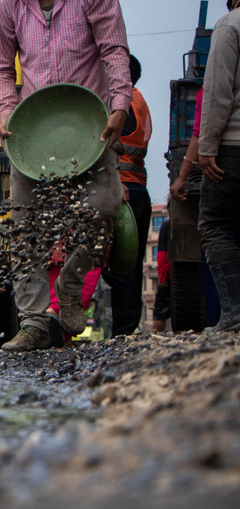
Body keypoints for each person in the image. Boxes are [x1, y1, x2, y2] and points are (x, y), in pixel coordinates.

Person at [0, 0, 130, 351]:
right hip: (32, 135)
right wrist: (6, 111)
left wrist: (120, 103)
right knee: (24, 227)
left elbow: (114, 51)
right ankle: (33, 321)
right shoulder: (9, 6)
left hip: (89, 129)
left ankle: (67, 297)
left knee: (102, 211)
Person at [196, 0, 240, 332]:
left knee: (215, 226)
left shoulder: (230, 26)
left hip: (234, 148)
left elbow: (217, 95)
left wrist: (207, 150)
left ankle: (234, 316)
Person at [102, 54, 153, 335]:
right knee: (131, 265)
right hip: (138, 190)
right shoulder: (141, 102)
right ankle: (127, 329)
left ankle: (123, 331)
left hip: (123, 191)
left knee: (118, 265)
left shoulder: (121, 105)